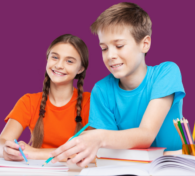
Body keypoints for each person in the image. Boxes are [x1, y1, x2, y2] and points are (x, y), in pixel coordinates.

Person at [49, 2, 185, 167]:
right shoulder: (101, 90)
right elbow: (110, 152)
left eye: (119, 46)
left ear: (145, 44)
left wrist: (99, 137)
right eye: (104, 48)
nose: (110, 55)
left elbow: (147, 134)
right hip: (128, 167)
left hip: (173, 167)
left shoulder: (166, 73)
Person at [0, 34, 90, 161]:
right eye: (55, 57)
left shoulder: (91, 102)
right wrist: (6, 150)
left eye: (69, 61)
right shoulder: (28, 102)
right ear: (47, 59)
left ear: (80, 69)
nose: (59, 65)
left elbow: (94, 153)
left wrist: (33, 153)